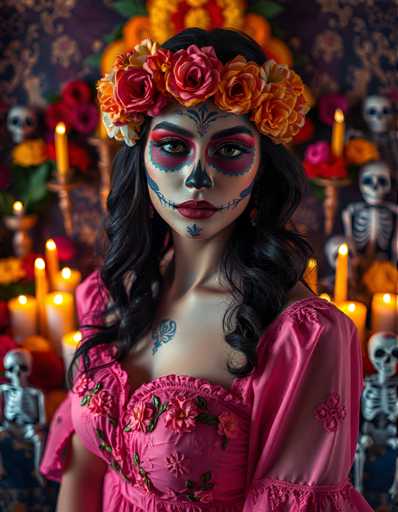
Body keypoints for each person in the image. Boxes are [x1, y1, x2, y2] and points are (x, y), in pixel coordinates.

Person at [40, 28, 373, 511]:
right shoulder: (111, 293)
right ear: (140, 157)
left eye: (229, 150)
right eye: (174, 147)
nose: (197, 177)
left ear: (262, 166)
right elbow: (84, 467)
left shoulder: (300, 336)